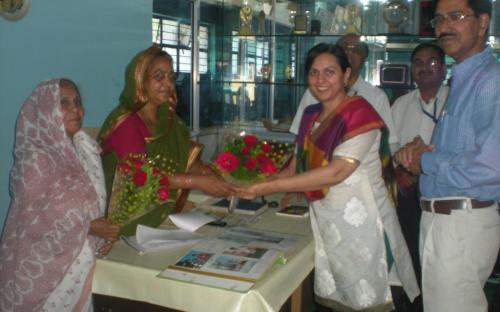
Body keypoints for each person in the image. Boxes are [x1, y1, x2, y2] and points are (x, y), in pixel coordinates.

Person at [238, 43, 419, 311]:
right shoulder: (312, 115)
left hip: (364, 226)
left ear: (347, 75)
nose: (320, 80)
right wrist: (255, 182)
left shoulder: (361, 115)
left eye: (330, 72)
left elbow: (336, 172)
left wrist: (269, 186)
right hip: (327, 220)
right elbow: (298, 166)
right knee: (339, 298)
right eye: (314, 72)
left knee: (369, 298)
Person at [395, 0, 500, 311]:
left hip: (461, 222)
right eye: (439, 18)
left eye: (456, 16)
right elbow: (466, 150)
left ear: (483, 23)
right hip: (444, 219)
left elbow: (491, 166)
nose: (443, 27)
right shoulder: (465, 78)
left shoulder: (491, 81)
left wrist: (424, 161)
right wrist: (424, 150)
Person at [0, 78, 120, 311]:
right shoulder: (35, 161)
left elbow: (94, 206)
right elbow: (32, 224)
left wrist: (102, 236)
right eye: (64, 102)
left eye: (77, 101)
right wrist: (88, 227)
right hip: (42, 273)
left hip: (81, 265)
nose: (75, 108)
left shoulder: (86, 149)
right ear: (46, 110)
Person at [98, 46, 234, 235]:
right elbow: (143, 178)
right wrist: (198, 181)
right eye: (158, 76)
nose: (167, 84)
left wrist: (216, 177)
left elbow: (184, 161)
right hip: (126, 224)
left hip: (162, 215)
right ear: (140, 79)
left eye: (171, 77)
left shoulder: (170, 121)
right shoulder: (126, 123)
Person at [391, 43, 448, 291]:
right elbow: (389, 144)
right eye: (418, 63)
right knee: (410, 249)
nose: (425, 68)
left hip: (442, 190)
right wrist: (399, 170)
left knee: (439, 253)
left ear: (444, 68)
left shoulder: (454, 101)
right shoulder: (401, 104)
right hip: (407, 189)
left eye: (432, 62)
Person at [290, 33, 399, 153]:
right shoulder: (314, 91)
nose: (349, 53)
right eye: (344, 48)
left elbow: (390, 144)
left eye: (356, 49)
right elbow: (299, 142)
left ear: (364, 58)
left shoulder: (376, 97)